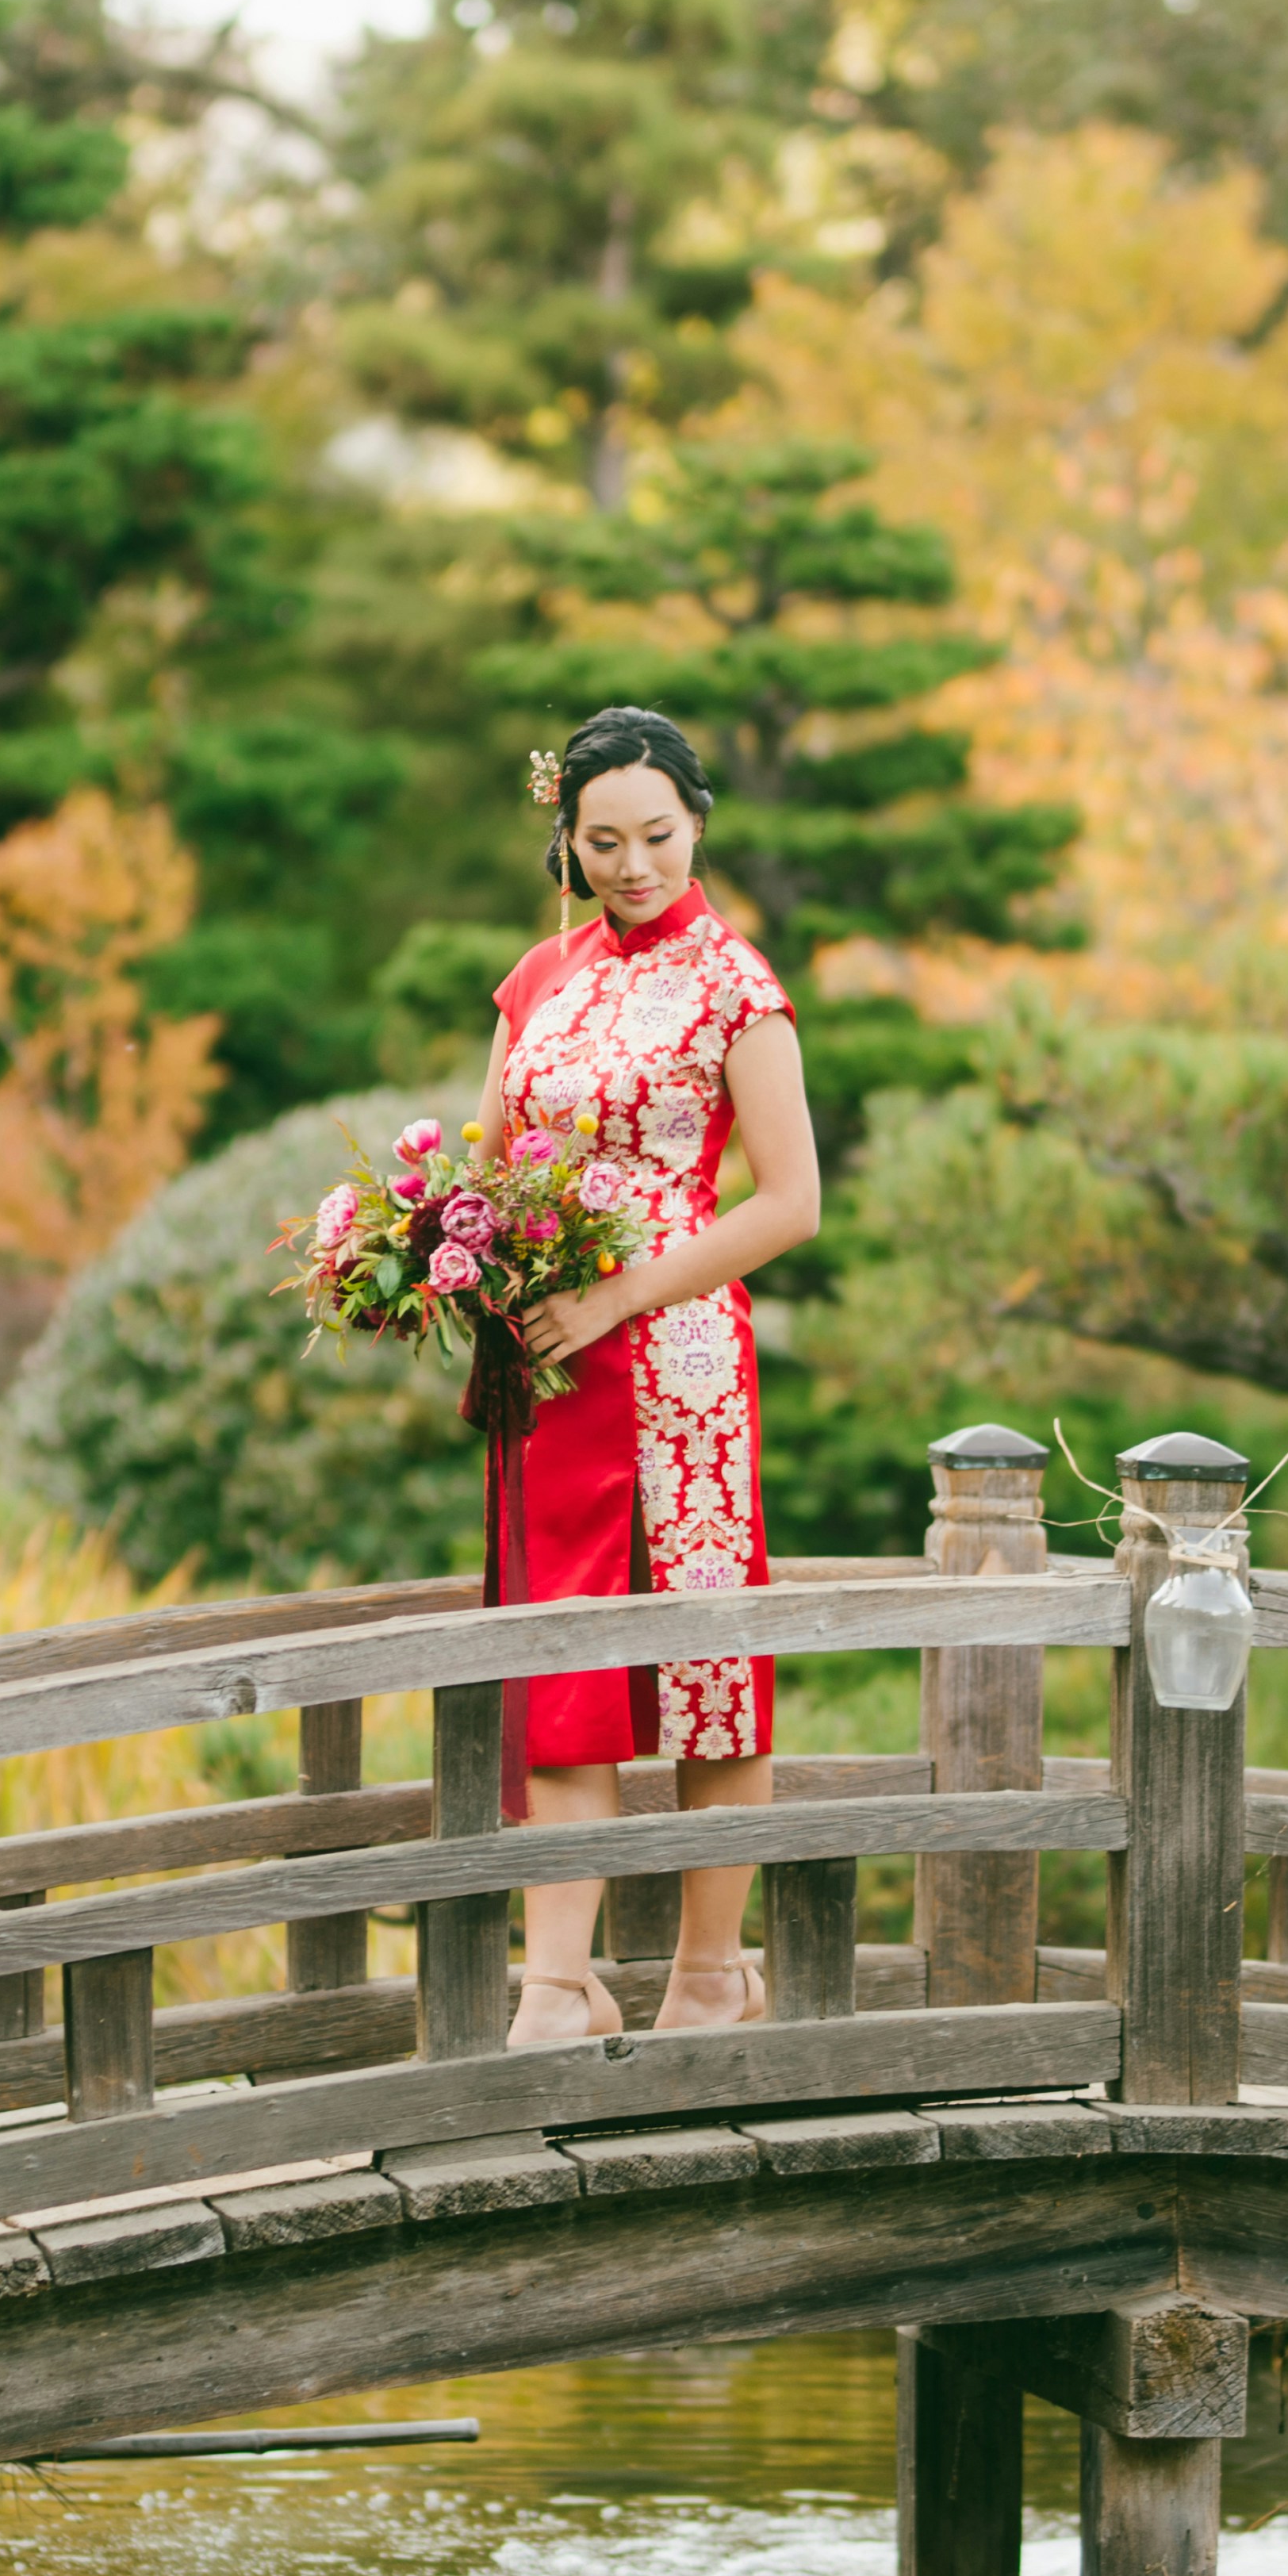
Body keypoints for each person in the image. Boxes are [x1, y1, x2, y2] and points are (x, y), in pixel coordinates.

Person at [473, 705, 822, 2044]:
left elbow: (789, 1204)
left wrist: (619, 1290)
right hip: (551, 1369)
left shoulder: (739, 985)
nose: (634, 866)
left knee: (703, 1665)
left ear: (697, 826)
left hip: (677, 1365)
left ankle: (707, 1976)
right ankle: (556, 1986)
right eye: (604, 841)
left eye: (658, 837)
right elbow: (489, 1165)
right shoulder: (540, 980)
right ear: (567, 840)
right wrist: (447, 1260)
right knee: (561, 1663)